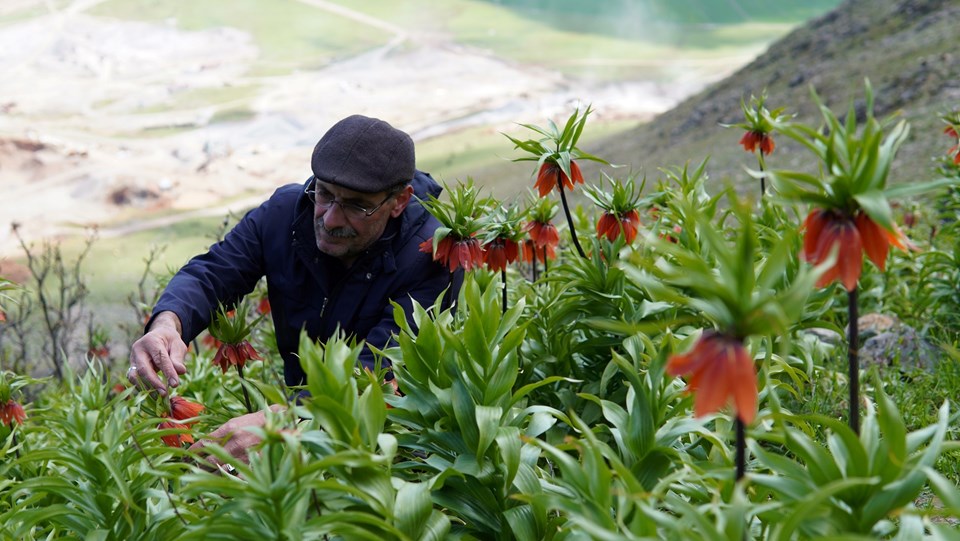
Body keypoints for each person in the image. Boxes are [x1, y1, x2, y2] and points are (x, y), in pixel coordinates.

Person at [128, 114, 461, 458]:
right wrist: (168, 322)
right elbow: (212, 274)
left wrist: (283, 422)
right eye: (325, 193)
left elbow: (377, 375)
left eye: (356, 205)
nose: (330, 219)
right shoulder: (285, 213)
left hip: (389, 439)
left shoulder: (431, 255)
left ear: (400, 201)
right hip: (299, 409)